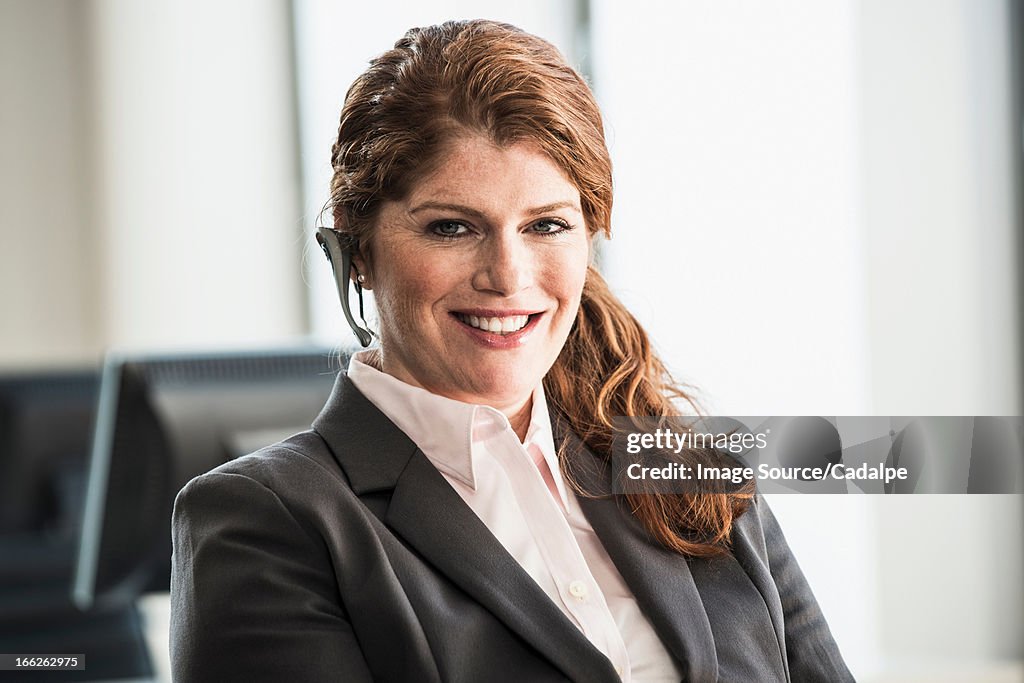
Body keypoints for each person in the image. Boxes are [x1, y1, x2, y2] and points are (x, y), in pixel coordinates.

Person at [170, 19, 854, 682]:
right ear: (357, 249)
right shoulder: (263, 522)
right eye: (451, 227)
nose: (508, 275)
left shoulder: (693, 477)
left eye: (547, 224)